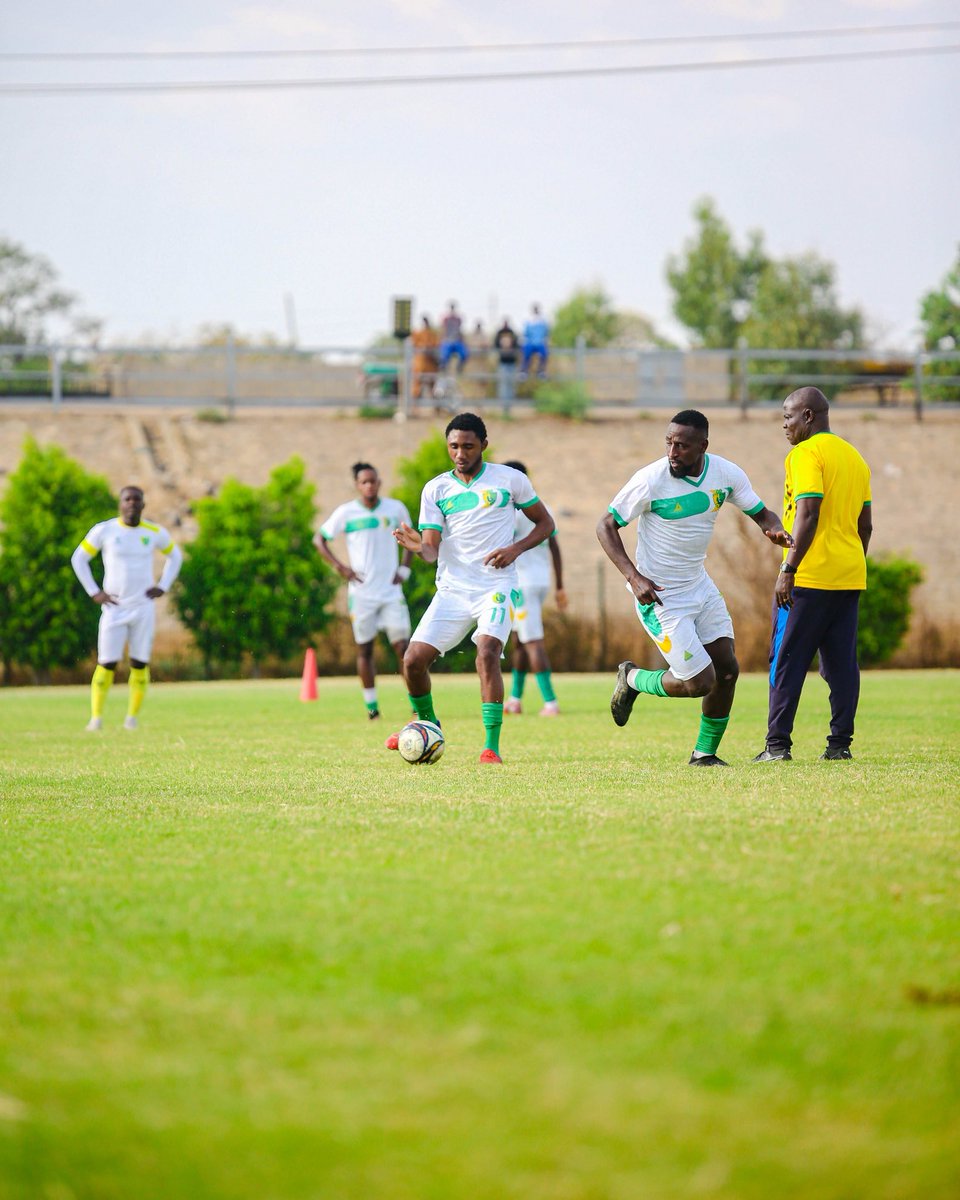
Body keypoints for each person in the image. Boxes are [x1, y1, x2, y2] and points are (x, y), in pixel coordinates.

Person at [597, 410, 793, 766]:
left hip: (699, 587)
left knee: (728, 671)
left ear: (703, 446)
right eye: (669, 442)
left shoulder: (726, 474)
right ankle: (634, 678)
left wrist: (774, 529)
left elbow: (761, 513)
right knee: (700, 682)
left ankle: (704, 754)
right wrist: (633, 577)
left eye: (682, 446)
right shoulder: (650, 480)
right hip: (659, 596)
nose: (673, 451)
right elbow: (606, 526)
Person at [388, 413, 554, 764]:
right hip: (453, 589)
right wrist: (419, 547)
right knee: (413, 661)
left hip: (495, 586)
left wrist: (514, 549)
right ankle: (428, 724)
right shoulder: (436, 489)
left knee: (488, 651)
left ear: (483, 445)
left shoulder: (510, 480)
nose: (460, 453)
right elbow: (432, 549)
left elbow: (546, 524)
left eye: (468, 446)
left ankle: (490, 746)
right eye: (453, 446)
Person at [752, 387, 872, 763]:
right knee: (841, 665)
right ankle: (839, 745)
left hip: (808, 578)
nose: (783, 424)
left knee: (785, 659)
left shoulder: (804, 453)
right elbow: (864, 525)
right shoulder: (855, 457)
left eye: (787, 416)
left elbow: (808, 512)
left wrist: (789, 568)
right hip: (848, 576)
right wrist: (849, 560)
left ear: (807, 416)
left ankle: (777, 746)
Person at [70, 485, 182, 731]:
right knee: (107, 663)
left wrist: (163, 585)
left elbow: (176, 556)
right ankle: (96, 718)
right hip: (114, 608)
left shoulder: (153, 532)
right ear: (120, 504)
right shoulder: (105, 530)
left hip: (143, 608)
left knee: (139, 663)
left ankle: (131, 719)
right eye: (127, 499)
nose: (131, 503)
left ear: (143, 504)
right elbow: (79, 558)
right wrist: (94, 591)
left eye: (136, 499)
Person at [314, 462, 414, 721]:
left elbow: (412, 538)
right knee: (365, 650)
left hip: (391, 592)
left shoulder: (395, 509)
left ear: (379, 482)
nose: (369, 485)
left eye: (373, 481)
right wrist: (341, 567)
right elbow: (319, 539)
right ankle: (372, 709)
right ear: (357, 485)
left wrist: (404, 569)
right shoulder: (346, 513)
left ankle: (417, 705)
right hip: (362, 594)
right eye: (364, 482)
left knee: (404, 648)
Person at [502, 460, 567, 716]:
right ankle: (515, 700)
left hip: (524, 583)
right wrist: (560, 586)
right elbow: (555, 547)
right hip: (539, 581)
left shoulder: (512, 512)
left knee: (532, 642)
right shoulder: (542, 507)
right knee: (519, 640)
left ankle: (550, 702)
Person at [410, 315, 440, 403]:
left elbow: (436, 344)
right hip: (420, 365)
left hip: (430, 365)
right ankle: (414, 409)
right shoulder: (417, 333)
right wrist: (422, 347)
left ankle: (436, 409)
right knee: (416, 387)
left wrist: (429, 347)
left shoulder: (432, 334)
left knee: (433, 387)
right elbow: (414, 344)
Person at [493, 318, 520, 414]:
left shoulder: (512, 333)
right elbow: (495, 344)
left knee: (511, 384)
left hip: (512, 362)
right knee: (503, 384)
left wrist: (510, 346)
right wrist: (502, 345)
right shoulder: (499, 332)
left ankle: (509, 405)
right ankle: (504, 406)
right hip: (503, 362)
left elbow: (517, 344)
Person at [521, 303, 550, 379]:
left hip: (539, 343)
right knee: (526, 353)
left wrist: (545, 340)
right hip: (530, 343)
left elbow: (546, 332)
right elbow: (526, 333)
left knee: (544, 354)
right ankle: (524, 371)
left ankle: (541, 371)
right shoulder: (529, 320)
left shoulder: (542, 321)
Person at [439, 302, 470, 373]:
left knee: (464, 353)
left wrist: (462, 339)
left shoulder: (458, 319)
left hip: (456, 341)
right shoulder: (446, 319)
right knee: (444, 354)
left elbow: (460, 331)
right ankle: (444, 367)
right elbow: (443, 331)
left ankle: (459, 366)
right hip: (448, 341)